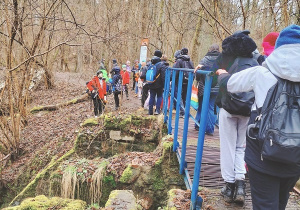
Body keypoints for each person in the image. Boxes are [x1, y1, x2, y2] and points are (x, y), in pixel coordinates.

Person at [216, 24, 300, 210]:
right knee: (281, 201)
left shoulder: (263, 72)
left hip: (264, 156)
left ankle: (231, 183)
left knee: (264, 204)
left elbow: (231, 85)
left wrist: (222, 76)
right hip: (296, 158)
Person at [211, 32, 259, 205]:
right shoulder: (255, 63)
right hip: (247, 110)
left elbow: (210, 75)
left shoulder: (228, 60)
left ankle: (229, 186)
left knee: (228, 147)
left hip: (229, 109)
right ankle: (240, 186)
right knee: (241, 147)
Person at [194, 44, 220, 134]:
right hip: (217, 87)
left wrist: (198, 80)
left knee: (201, 105)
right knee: (211, 108)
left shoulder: (205, 59)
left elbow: (197, 74)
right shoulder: (222, 59)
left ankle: (199, 124)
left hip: (204, 87)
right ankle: (209, 128)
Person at [173, 48, 194, 117]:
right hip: (188, 81)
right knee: (185, 97)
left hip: (180, 81)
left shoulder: (179, 61)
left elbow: (176, 72)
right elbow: (193, 71)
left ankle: (182, 111)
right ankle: (185, 112)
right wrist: (192, 80)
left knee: (179, 96)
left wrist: (174, 80)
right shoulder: (190, 61)